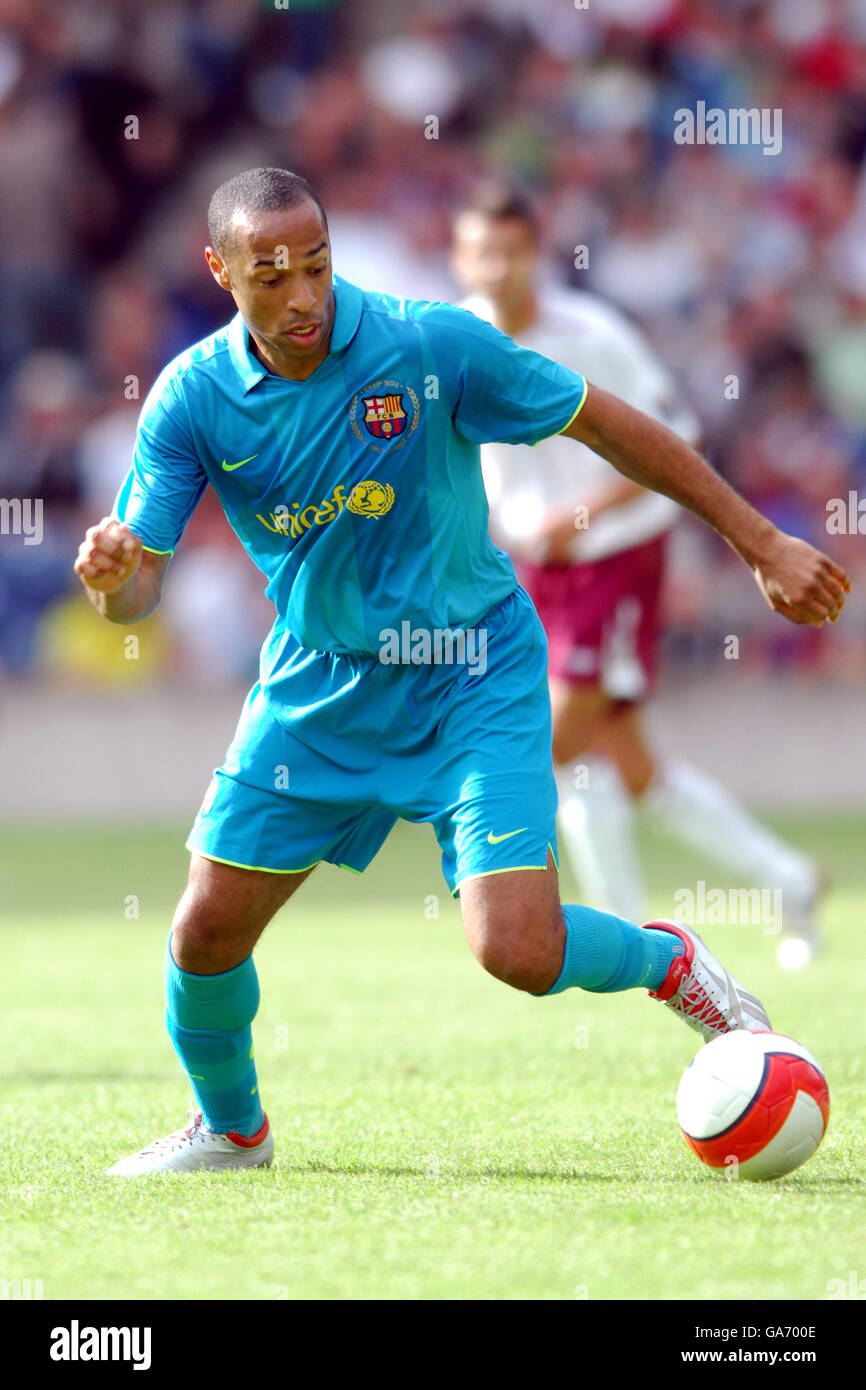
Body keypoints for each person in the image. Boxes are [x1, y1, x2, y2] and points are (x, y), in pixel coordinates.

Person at [74, 168, 849, 1175]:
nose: (302, 295)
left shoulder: (426, 345)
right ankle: (230, 1131)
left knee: (514, 951)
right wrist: (115, 580)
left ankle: (673, 962)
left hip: (470, 668)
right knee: (205, 931)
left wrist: (756, 541)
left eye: (316, 265)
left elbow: (605, 422)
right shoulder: (190, 398)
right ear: (218, 270)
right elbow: (137, 588)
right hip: (322, 684)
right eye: (271, 277)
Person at [452, 184, 826, 970]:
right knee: (622, 761)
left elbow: (675, 435)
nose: (497, 266)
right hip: (529, 567)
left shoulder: (591, 333)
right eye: (482, 250)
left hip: (612, 557)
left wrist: (579, 511)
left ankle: (621, 940)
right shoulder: (458, 337)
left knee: (549, 740)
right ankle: (787, 880)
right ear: (461, 257)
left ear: (535, 253)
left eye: (511, 250)